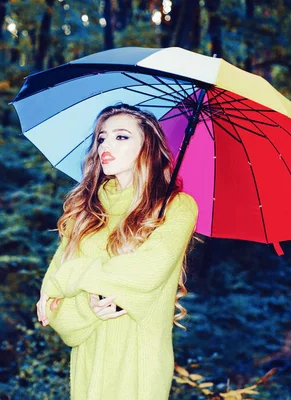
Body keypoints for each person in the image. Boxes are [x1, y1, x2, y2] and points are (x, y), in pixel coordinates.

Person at [35, 103, 199, 399]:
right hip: (88, 365)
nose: (105, 145)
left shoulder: (176, 208)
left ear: (148, 146)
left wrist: (71, 277)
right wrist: (91, 305)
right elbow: (54, 312)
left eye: (121, 137)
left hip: (138, 365)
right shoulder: (84, 212)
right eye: (101, 138)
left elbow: (146, 273)